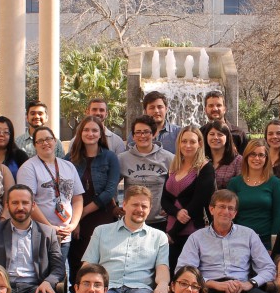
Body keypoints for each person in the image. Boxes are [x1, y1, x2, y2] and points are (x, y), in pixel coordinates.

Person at [177, 189, 276, 293]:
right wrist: (213, 283)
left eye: (230, 208)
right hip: (210, 290)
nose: (226, 211)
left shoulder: (248, 234)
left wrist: (250, 283)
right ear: (211, 209)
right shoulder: (197, 237)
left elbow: (269, 268)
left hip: (241, 290)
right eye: (221, 206)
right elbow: (183, 270)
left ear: (235, 213)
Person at [17, 125, 83, 265]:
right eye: (40, 141)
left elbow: (77, 197)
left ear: (54, 141)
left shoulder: (68, 166)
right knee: (41, 275)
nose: (45, 143)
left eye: (48, 139)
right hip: (39, 234)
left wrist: (73, 224)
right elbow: (28, 202)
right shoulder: (28, 168)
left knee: (59, 275)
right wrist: (49, 227)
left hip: (64, 234)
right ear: (35, 145)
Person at [67, 115, 120, 279]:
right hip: (75, 214)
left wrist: (80, 216)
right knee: (77, 258)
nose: (90, 133)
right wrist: (74, 221)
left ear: (101, 134)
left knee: (100, 259)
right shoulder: (69, 159)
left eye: (95, 130)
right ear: (80, 133)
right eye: (86, 130)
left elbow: (110, 190)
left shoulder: (110, 157)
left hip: (101, 214)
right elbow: (65, 191)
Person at [162, 126, 216, 271]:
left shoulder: (205, 168)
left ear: (200, 143)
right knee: (171, 275)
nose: (187, 145)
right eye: (184, 141)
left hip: (191, 233)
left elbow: (198, 203)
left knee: (189, 275)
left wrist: (172, 233)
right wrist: (176, 213)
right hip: (171, 231)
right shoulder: (174, 165)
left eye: (192, 142)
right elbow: (164, 199)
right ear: (179, 143)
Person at [119, 115, 174, 230]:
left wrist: (172, 207)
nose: (142, 136)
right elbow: (110, 185)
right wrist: (114, 206)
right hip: (131, 221)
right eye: (138, 132)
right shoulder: (123, 159)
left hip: (160, 221)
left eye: (146, 132)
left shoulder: (168, 158)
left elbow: (178, 186)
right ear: (133, 136)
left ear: (154, 134)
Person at [228, 139, 280, 249]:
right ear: (246, 157)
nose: (256, 158)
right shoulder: (234, 183)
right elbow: (230, 214)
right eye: (252, 154)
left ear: (266, 158)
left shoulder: (275, 183)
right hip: (239, 241)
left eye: (261, 155)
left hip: (265, 242)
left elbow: (278, 216)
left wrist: (273, 245)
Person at [204, 120, 242, 189]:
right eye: (212, 134)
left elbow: (240, 187)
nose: (215, 137)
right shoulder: (201, 160)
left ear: (227, 138)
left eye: (220, 134)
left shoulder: (238, 161)